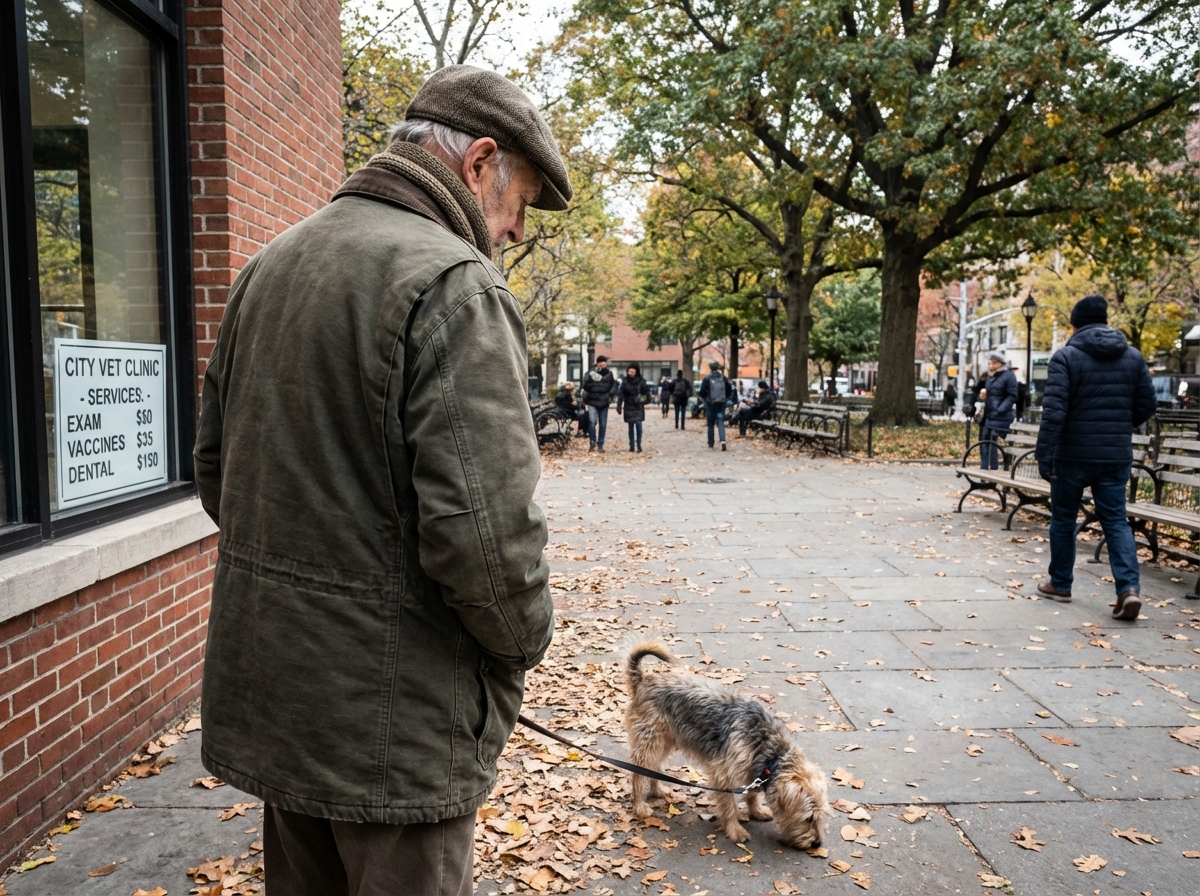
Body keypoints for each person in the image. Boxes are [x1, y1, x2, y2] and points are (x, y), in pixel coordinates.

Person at [193, 65, 566, 896]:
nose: (509, 232)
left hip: (282, 697)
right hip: (396, 726)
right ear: (478, 163)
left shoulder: (270, 263)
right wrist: (522, 650)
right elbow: (490, 543)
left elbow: (217, 474)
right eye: (518, 204)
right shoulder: (456, 285)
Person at [1034, 295, 1156, 621]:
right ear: (1105, 320)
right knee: (1116, 520)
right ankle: (1128, 589)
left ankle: (1060, 584)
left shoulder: (1066, 357)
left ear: (1075, 324)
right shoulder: (1132, 357)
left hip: (1072, 455)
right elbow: (1147, 405)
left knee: (1063, 519)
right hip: (1114, 454)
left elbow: (1054, 413)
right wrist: (1118, 426)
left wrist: (1043, 456)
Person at [978, 351, 1018, 470]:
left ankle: (993, 470)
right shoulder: (990, 376)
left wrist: (1000, 409)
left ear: (1001, 363)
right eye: (989, 363)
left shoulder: (1008, 376)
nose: (991, 366)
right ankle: (985, 471)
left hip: (1001, 416)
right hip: (989, 415)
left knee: (991, 443)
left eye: (993, 363)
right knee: (985, 443)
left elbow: (1012, 395)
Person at [582, 355, 616, 452]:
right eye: (600, 362)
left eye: (603, 362)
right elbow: (585, 385)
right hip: (592, 401)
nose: (602, 364)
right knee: (592, 422)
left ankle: (600, 444)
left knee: (603, 424)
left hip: (604, 402)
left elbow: (611, 386)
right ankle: (592, 441)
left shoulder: (609, 374)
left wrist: (609, 394)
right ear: (597, 363)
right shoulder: (590, 373)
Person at [616, 363, 653, 452]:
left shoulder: (641, 381)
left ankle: (639, 445)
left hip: (638, 405)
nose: (631, 373)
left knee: (639, 425)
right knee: (630, 426)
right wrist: (619, 405)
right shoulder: (625, 381)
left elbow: (647, 394)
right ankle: (631, 445)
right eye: (629, 371)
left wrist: (642, 400)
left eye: (633, 371)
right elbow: (621, 394)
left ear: (636, 371)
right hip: (628, 405)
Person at [699, 359, 733, 450]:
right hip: (721, 404)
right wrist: (726, 399)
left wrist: (705, 399)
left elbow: (702, 392)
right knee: (720, 421)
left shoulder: (707, 378)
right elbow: (729, 390)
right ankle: (722, 440)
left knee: (710, 424)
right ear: (718, 368)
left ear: (710, 368)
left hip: (710, 404)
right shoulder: (723, 378)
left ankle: (711, 443)